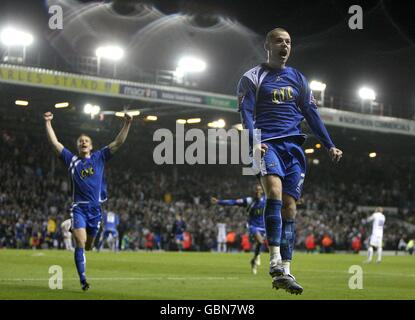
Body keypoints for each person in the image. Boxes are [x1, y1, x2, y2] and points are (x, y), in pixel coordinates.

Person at [237, 27, 343, 294]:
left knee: (290, 207)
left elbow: (312, 114)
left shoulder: (298, 78)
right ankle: (273, 260)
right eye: (279, 41)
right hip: (267, 144)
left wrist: (329, 144)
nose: (284, 45)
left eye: (288, 42)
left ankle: (285, 269)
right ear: (267, 45)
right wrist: (253, 140)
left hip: (294, 147)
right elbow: (246, 113)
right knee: (273, 191)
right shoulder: (252, 77)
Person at [44, 111, 133, 291]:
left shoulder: (99, 157)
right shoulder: (71, 160)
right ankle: (83, 279)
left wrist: (127, 124)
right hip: (79, 208)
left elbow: (118, 142)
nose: (83, 142)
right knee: (80, 243)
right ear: (78, 146)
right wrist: (48, 123)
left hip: (95, 210)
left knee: (89, 246)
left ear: (91, 146)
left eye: (86, 141)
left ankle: (76, 229)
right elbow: (55, 143)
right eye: (80, 141)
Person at [211, 184, 266, 275]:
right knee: (260, 241)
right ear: (253, 191)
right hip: (252, 225)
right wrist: (219, 201)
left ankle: (254, 260)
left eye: (259, 190)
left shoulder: (266, 200)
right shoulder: (248, 201)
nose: (257, 192)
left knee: (259, 244)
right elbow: (233, 202)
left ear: (262, 191)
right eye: (256, 190)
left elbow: (279, 202)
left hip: (263, 226)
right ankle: (257, 256)